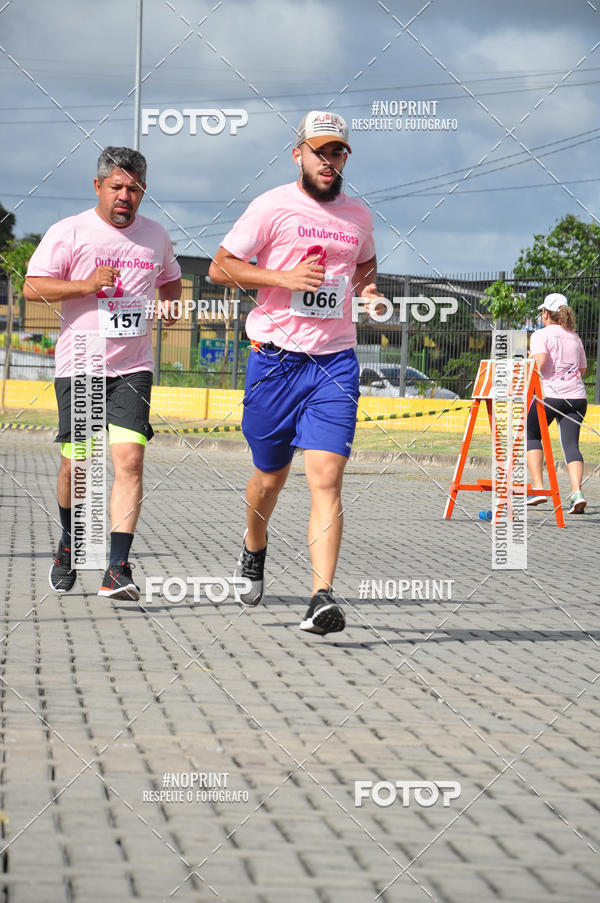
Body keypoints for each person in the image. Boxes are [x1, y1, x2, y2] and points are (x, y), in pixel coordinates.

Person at [209, 110, 381, 635]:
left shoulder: (358, 215)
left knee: (326, 478)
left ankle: (321, 597)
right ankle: (253, 546)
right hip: (275, 361)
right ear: (298, 154)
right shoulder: (272, 206)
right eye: (319, 151)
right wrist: (283, 278)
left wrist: (369, 292)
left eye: (338, 152)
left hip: (334, 363)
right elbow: (220, 266)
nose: (329, 161)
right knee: (270, 477)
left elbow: (364, 264)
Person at [24, 146, 182, 598]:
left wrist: (170, 304)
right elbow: (33, 286)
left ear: (143, 191)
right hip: (82, 364)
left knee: (130, 460)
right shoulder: (70, 231)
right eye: (117, 187)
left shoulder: (156, 236)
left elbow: (170, 279)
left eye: (134, 189)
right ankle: (70, 543)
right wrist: (85, 285)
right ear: (98, 186)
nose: (125, 196)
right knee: (79, 465)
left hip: (134, 367)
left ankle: (117, 568)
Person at [526, 292, 588, 514]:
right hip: (577, 397)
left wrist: (528, 361)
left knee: (531, 434)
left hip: (550, 396)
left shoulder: (540, 335)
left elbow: (540, 361)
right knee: (571, 445)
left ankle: (538, 488)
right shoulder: (574, 336)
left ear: (545, 313)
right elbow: (582, 369)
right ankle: (577, 493)